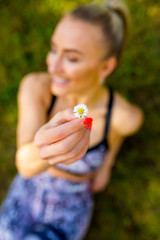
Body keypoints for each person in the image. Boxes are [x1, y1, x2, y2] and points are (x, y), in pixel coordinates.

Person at [0, 0, 144, 239]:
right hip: (26, 196)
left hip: (69, 211)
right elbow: (25, 165)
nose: (53, 66)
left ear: (106, 67)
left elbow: (118, 136)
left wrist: (106, 165)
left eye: (72, 58)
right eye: (54, 49)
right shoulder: (36, 88)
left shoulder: (123, 117)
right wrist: (44, 147)